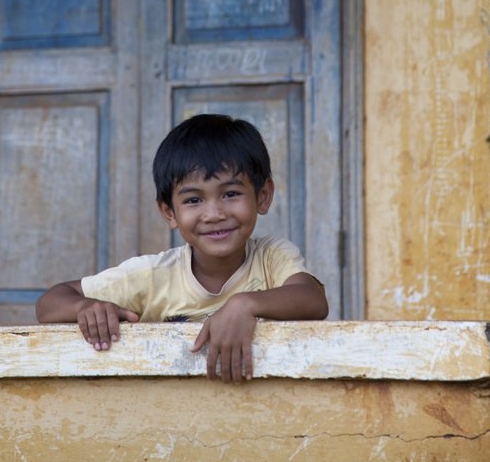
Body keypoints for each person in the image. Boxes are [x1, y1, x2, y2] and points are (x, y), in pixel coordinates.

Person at [36, 113, 328, 382]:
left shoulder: (271, 256)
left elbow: (313, 299)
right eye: (193, 200)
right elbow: (49, 303)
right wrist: (86, 307)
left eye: (230, 194)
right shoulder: (153, 275)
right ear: (169, 213)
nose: (214, 214)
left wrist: (245, 304)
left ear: (262, 196)